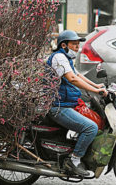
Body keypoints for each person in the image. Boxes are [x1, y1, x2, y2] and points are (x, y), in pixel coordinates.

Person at [46, 30, 108, 177]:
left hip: (66, 103)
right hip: (59, 107)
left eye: (78, 44)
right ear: (64, 45)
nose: (77, 47)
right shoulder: (59, 57)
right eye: (74, 44)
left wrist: (97, 86)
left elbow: (78, 75)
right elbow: (73, 79)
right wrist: (96, 91)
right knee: (90, 128)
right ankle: (73, 161)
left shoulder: (66, 58)